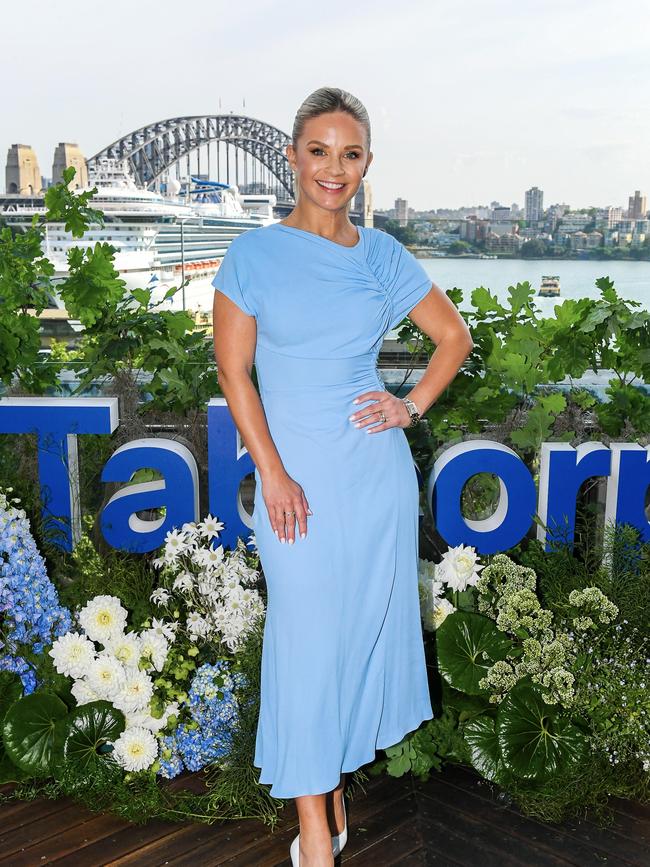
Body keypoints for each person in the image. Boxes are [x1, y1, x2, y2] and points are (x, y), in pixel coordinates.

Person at [212, 87, 473, 867]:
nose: (334, 168)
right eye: (319, 151)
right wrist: (275, 475)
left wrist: (410, 405)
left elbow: (453, 336)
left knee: (352, 639)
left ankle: (323, 792)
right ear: (292, 157)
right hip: (294, 484)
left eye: (350, 153)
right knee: (302, 640)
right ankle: (316, 832)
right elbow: (234, 375)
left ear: (365, 165)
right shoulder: (251, 255)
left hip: (372, 479)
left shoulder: (382, 256)